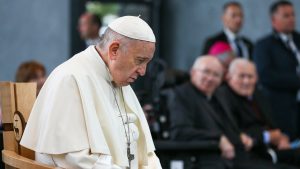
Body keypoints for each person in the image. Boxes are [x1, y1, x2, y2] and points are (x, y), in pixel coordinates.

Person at [20, 16, 162, 169]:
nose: (143, 71)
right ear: (114, 50)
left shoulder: (121, 80)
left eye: (147, 63)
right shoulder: (70, 78)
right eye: (140, 61)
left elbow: (146, 152)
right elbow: (73, 158)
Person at [169, 56, 294, 169]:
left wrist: (240, 135)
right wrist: (219, 139)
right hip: (214, 159)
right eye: (206, 72)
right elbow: (180, 132)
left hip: (243, 154)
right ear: (193, 72)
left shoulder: (216, 96)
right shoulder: (182, 95)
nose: (210, 78)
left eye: (216, 75)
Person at [221, 58, 300, 167]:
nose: (246, 81)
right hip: (249, 155)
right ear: (228, 77)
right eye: (241, 76)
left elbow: (272, 125)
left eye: (250, 76)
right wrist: (267, 136)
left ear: (257, 78)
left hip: (273, 149)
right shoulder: (223, 98)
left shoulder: (258, 94)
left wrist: (281, 138)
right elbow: (234, 133)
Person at [253, 0, 300, 139]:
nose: (291, 19)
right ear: (274, 20)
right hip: (282, 108)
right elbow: (265, 76)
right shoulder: (264, 45)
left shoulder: (298, 40)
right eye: (286, 15)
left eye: (293, 15)